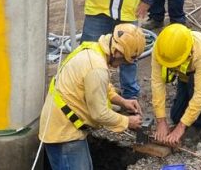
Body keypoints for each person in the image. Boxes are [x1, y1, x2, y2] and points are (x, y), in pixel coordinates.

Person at [40, 24, 146, 169]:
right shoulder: (97, 68)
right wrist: (127, 121)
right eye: (123, 61)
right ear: (117, 52)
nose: (121, 65)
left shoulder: (93, 49)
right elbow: (99, 114)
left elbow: (101, 86)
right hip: (64, 134)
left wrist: (122, 102)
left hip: (62, 125)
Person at [151, 24, 201, 147]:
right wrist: (161, 120)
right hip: (185, 73)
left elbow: (200, 93)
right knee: (176, 116)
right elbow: (157, 83)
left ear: (188, 53)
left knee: (196, 95)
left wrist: (181, 127)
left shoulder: (200, 52)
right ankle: (193, 96)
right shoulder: (161, 49)